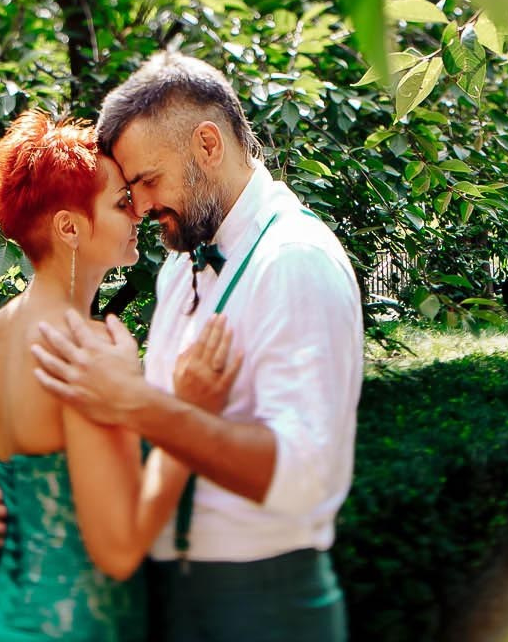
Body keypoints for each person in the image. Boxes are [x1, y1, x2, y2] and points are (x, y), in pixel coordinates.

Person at [31, 54, 365, 642]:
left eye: (148, 181)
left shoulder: (294, 261)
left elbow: (302, 478)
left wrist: (136, 403)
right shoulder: (179, 266)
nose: (140, 207)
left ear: (208, 145)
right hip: (179, 595)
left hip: (260, 603)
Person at [0, 109, 246, 642]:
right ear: (69, 228)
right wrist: (187, 418)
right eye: (121, 202)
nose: (139, 210)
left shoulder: (2, 328)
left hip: (0, 623)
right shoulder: (86, 348)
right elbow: (118, 552)